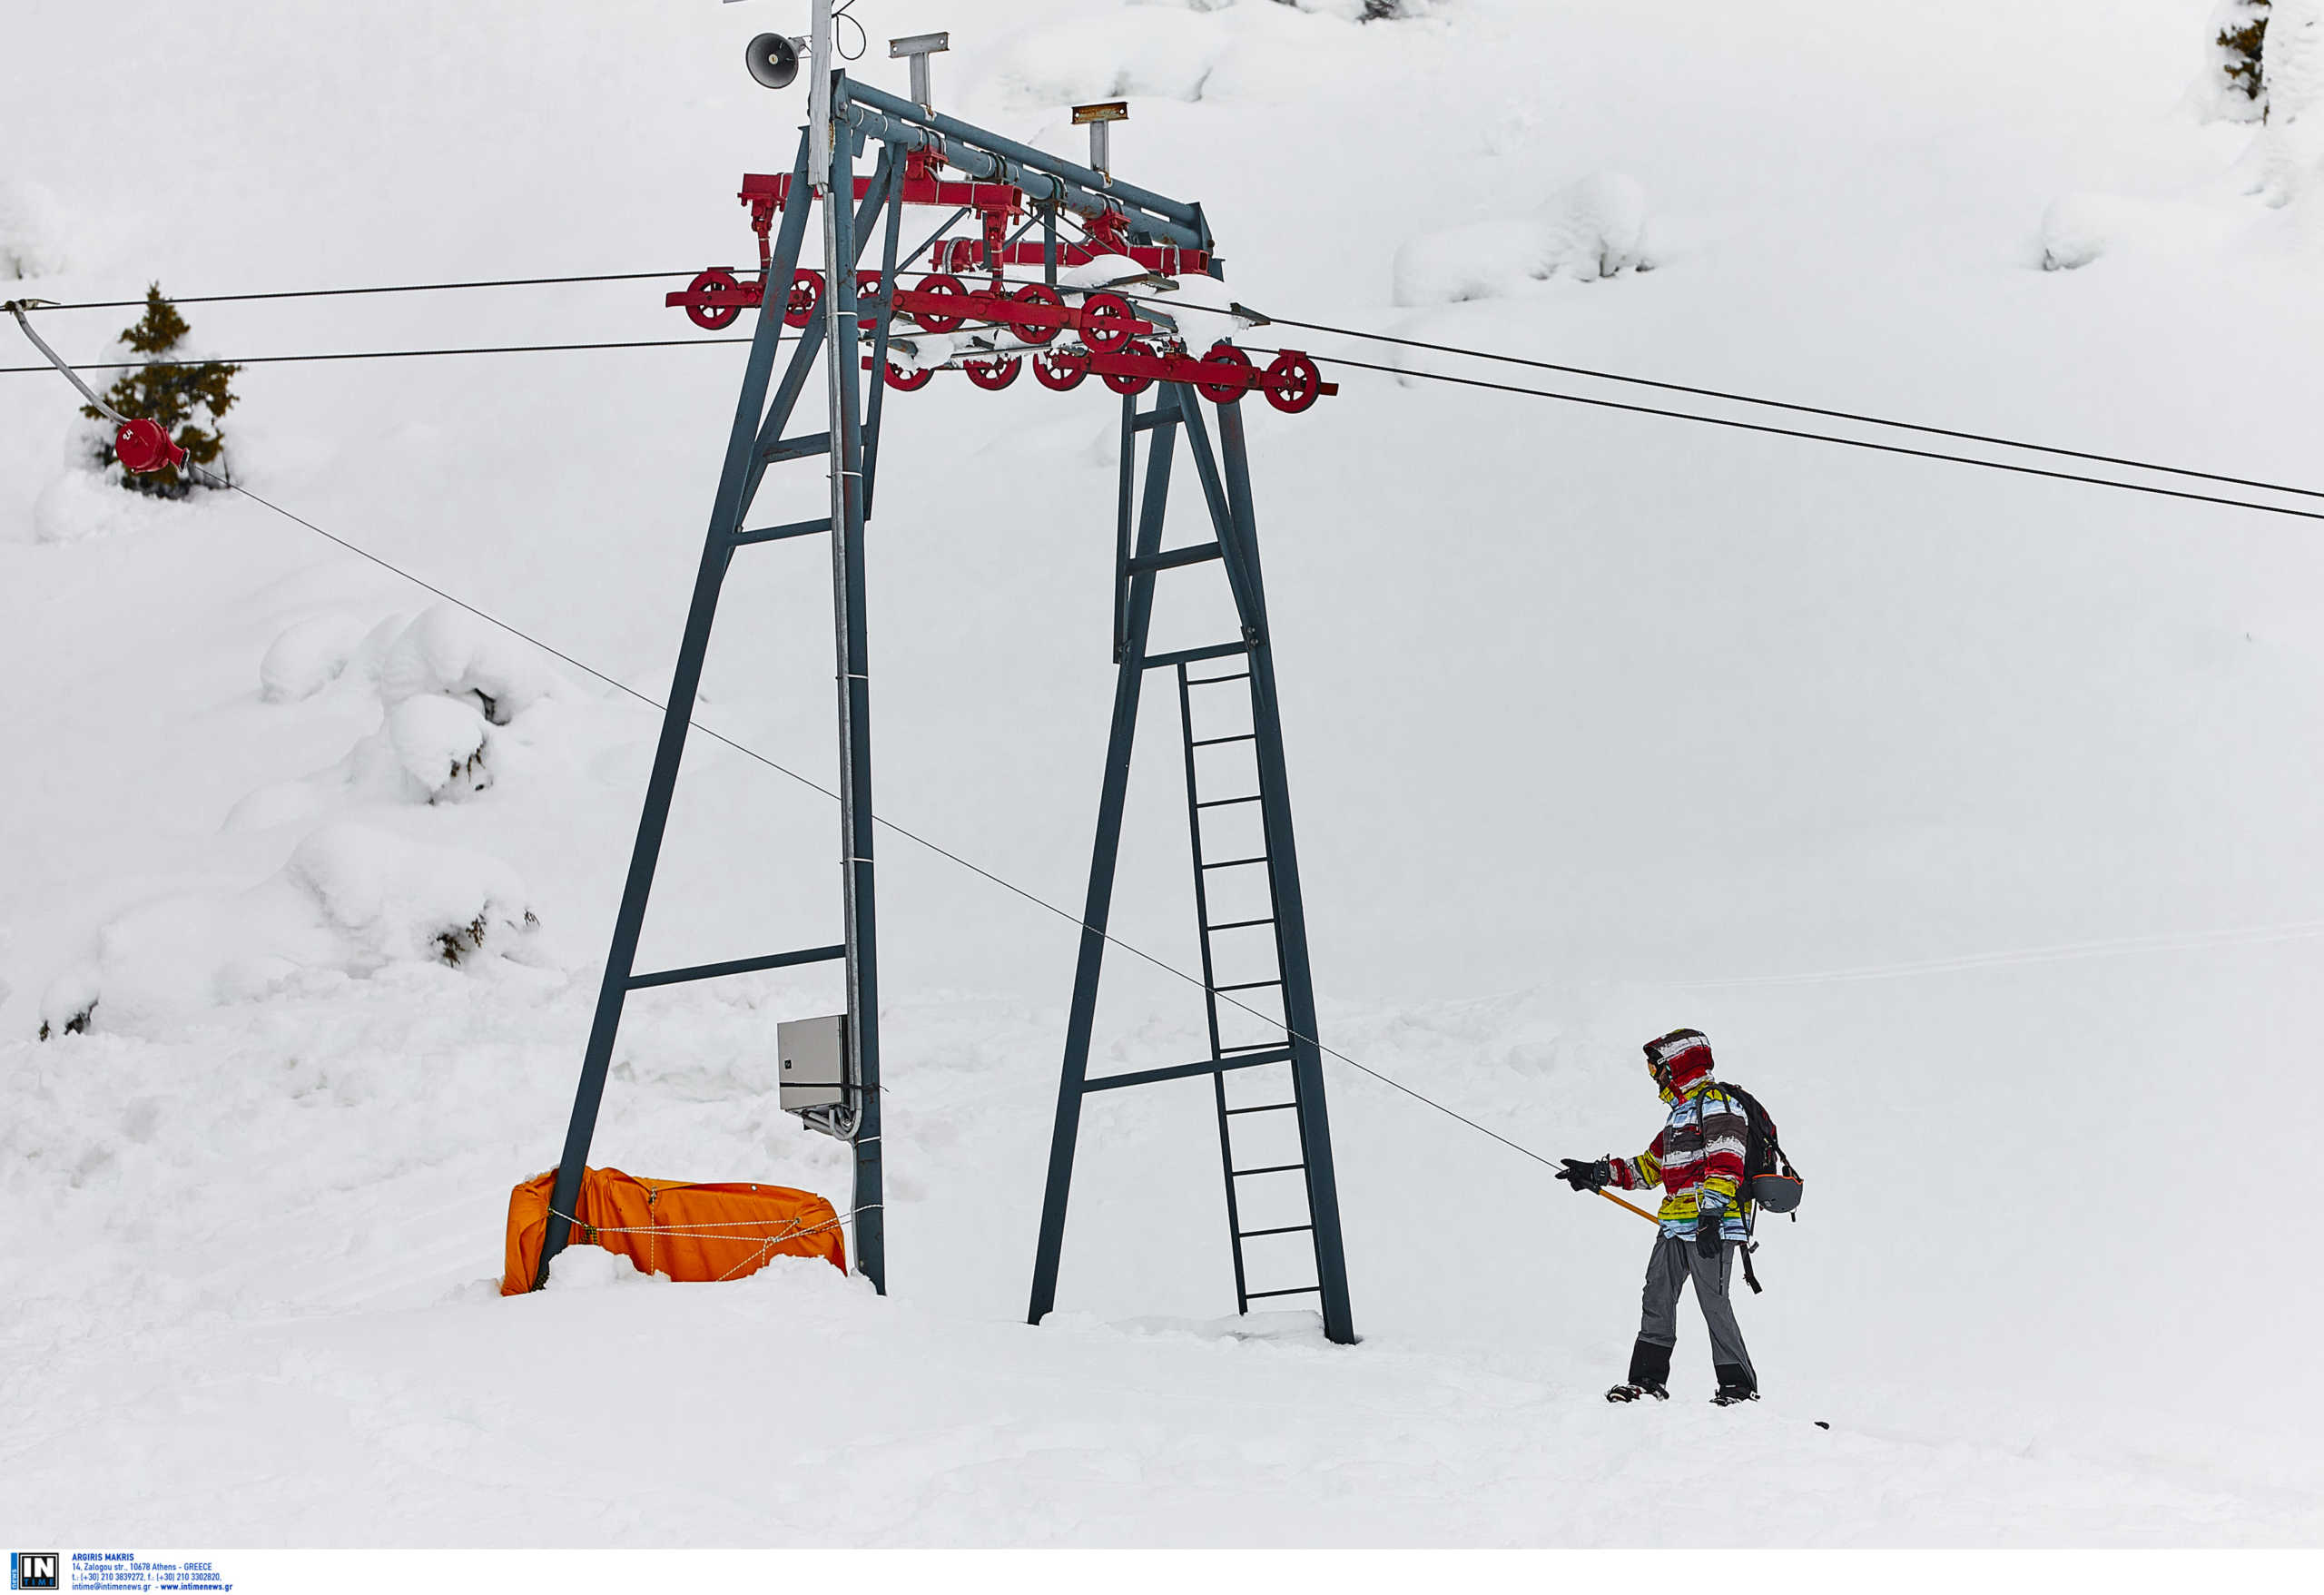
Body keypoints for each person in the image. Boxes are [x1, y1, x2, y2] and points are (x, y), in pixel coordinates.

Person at [1558, 1027, 1758, 1405]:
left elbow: (1728, 1163)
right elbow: (1649, 1169)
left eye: (1658, 1070)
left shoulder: (1717, 1105)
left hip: (1710, 1224)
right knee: (1657, 1297)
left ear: (1678, 1066)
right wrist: (1598, 1173)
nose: (1656, 1079)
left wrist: (1712, 1216)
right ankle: (1647, 1381)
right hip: (1675, 1224)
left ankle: (1739, 1388)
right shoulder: (1679, 1116)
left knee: (1713, 1301)